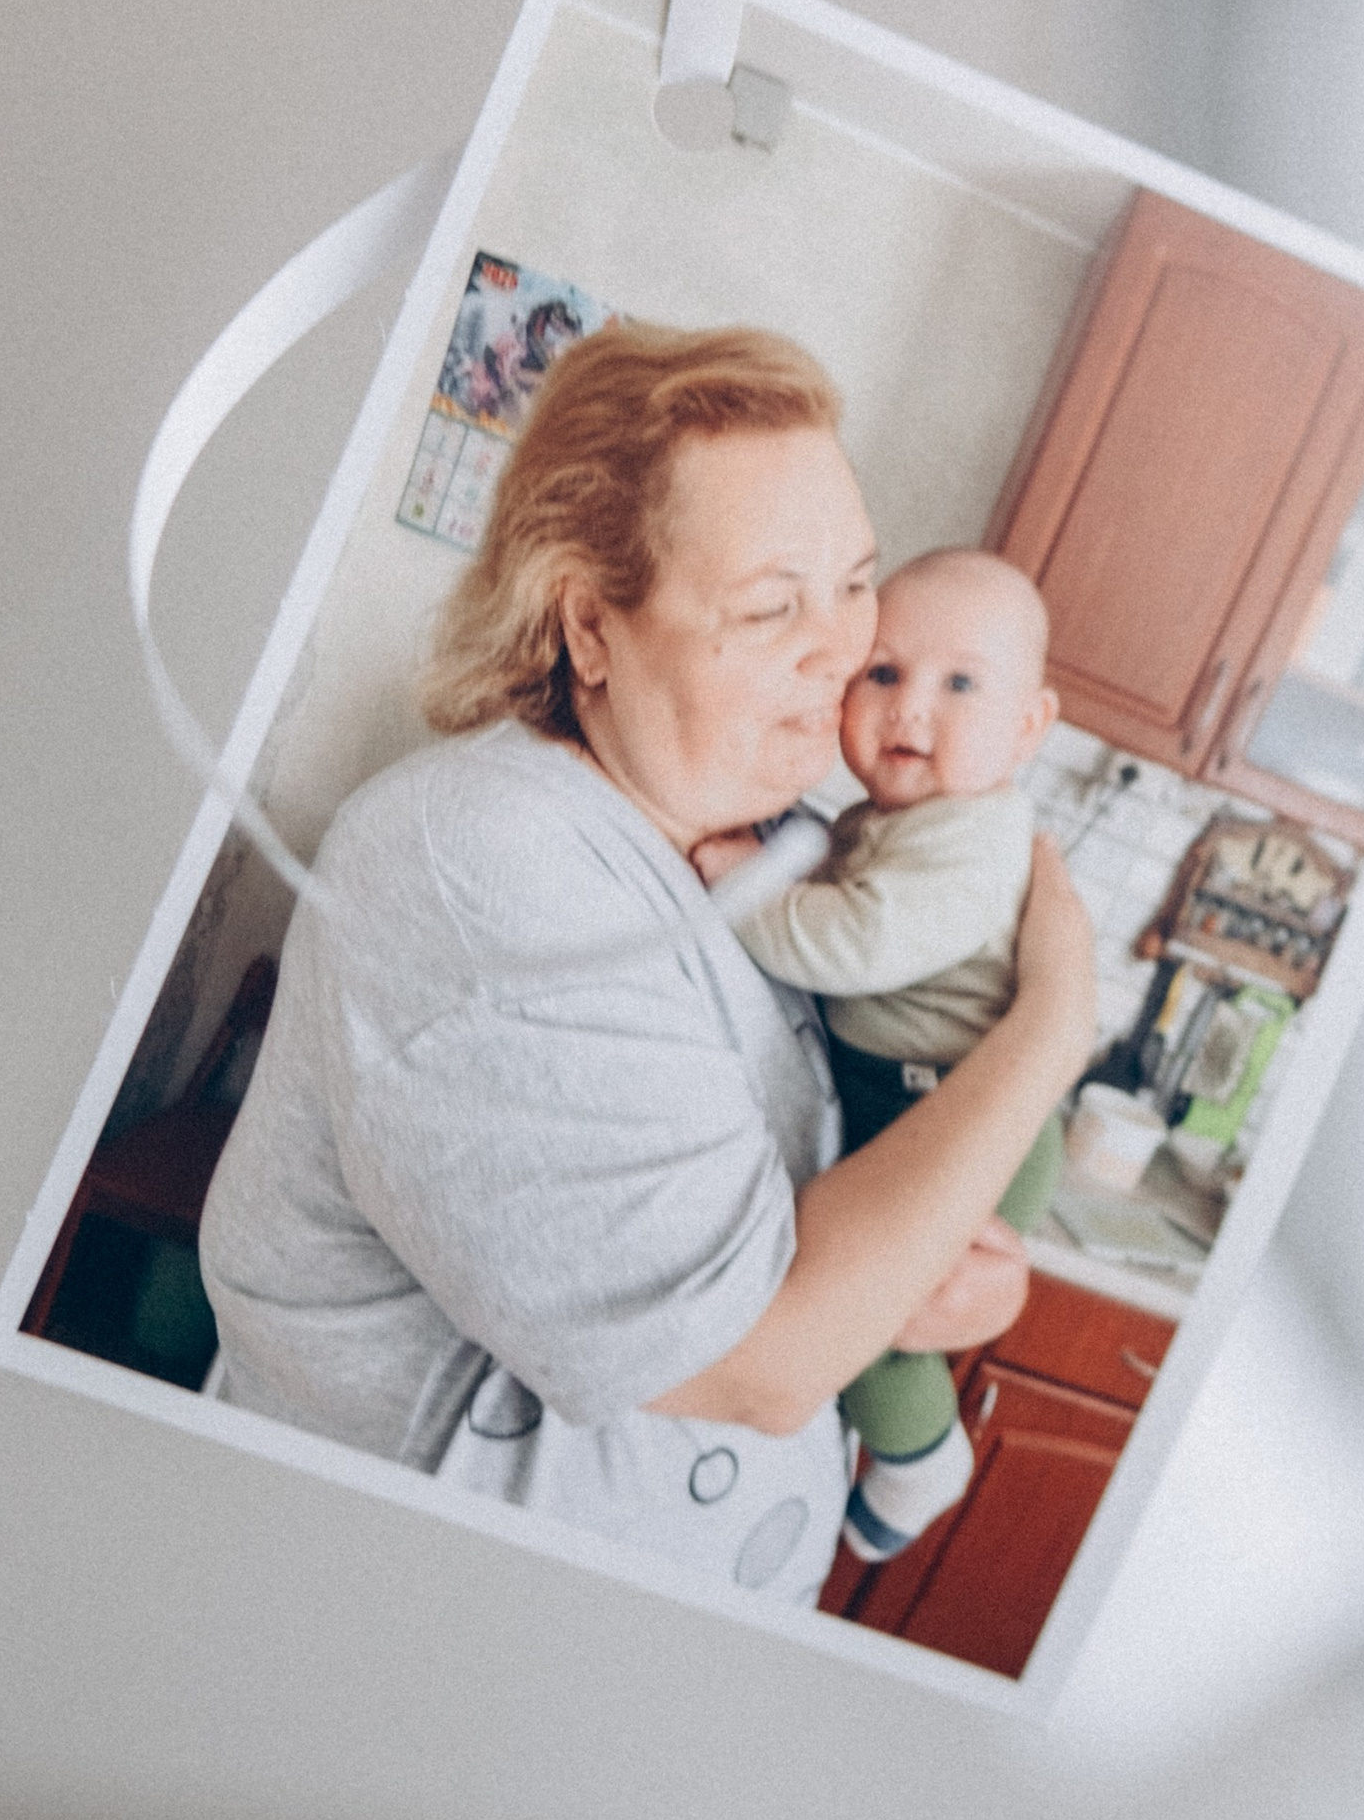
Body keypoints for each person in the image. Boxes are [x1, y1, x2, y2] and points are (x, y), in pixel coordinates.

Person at [198, 321, 1096, 1607]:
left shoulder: (784, 838)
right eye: (771, 605)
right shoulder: (480, 863)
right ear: (591, 626)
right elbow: (758, 1359)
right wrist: (1053, 1028)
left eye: (854, 583)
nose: (844, 648)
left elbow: (835, 1214)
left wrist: (926, 1281)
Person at [714, 551, 1064, 1560]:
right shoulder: (893, 820)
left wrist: (746, 888)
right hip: (907, 1099)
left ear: (1028, 727)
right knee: (863, 1296)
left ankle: (920, 1459)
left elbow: (858, 944)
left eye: (960, 683)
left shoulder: (972, 838)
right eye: (884, 672)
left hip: (960, 1113)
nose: (910, 706)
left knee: (871, 1318)